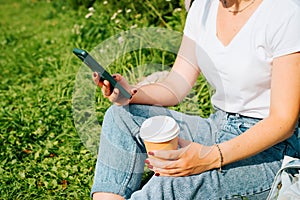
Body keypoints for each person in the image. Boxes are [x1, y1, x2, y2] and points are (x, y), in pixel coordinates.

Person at [90, 0, 300, 199]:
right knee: (120, 116)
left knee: (174, 182)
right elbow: (175, 85)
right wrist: (132, 93)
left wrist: (208, 158)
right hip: (219, 125)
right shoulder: (203, 7)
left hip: (272, 149)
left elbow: (283, 122)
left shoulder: (285, 12)